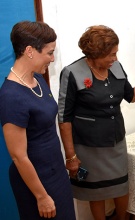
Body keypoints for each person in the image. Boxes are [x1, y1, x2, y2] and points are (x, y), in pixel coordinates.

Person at [58, 25, 135, 220]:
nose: (115, 58)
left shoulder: (116, 67)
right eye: (111, 54)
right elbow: (64, 118)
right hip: (89, 146)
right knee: (95, 192)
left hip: (116, 142)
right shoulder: (71, 73)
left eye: (116, 53)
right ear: (96, 53)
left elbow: (131, 96)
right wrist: (71, 156)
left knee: (121, 186)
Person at [0, 21, 76, 219]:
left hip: (56, 171)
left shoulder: (39, 79)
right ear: (30, 51)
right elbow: (18, 156)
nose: (52, 59)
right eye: (49, 53)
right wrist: (41, 196)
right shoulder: (11, 96)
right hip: (36, 182)